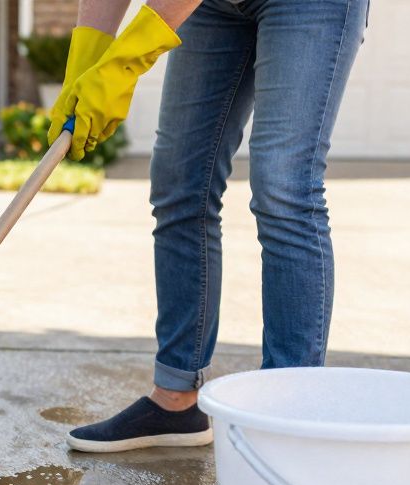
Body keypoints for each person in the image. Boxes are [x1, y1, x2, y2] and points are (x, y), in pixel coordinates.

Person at [49, 0, 368, 452]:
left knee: (283, 188)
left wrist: (124, 61)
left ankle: (287, 418)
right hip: (212, 8)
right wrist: (86, 60)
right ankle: (175, 400)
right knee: (180, 182)